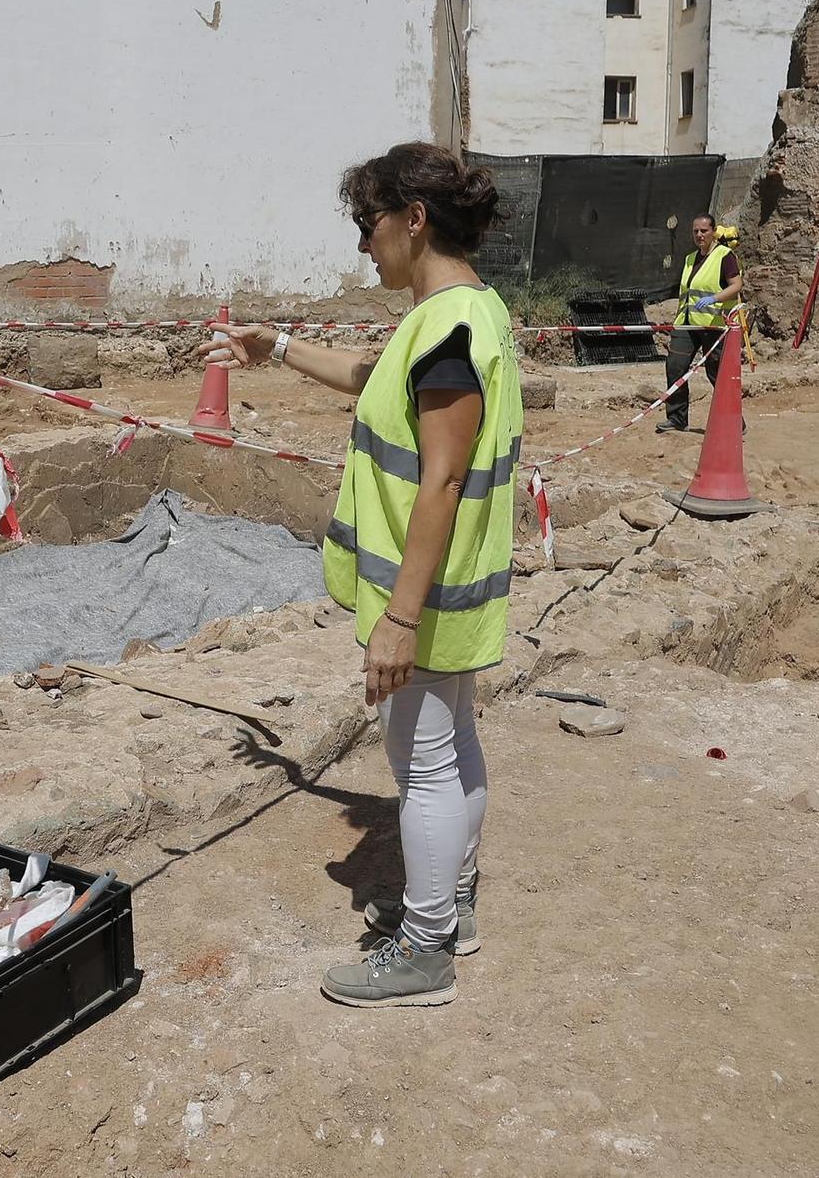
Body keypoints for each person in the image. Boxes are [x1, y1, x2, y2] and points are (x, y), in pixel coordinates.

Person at [197, 142, 522, 1009]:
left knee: (419, 762)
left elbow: (443, 479)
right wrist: (279, 347)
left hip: (429, 591)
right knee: (450, 747)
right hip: (457, 586)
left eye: (367, 224)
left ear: (413, 220)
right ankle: (450, 907)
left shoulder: (447, 327)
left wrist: (400, 617)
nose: (362, 243)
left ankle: (424, 950)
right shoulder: (456, 314)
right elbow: (373, 379)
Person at [655, 214, 743, 434]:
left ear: (713, 231)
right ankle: (677, 418)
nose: (699, 235)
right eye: (695, 231)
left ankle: (735, 422)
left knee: (718, 374)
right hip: (686, 323)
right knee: (675, 366)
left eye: (704, 230)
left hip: (713, 325)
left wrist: (714, 298)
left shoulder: (724, 256)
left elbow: (736, 285)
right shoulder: (689, 259)